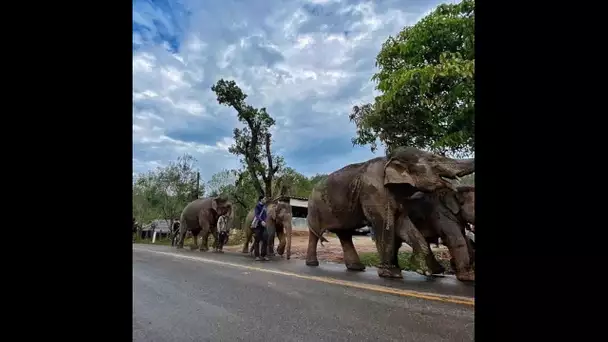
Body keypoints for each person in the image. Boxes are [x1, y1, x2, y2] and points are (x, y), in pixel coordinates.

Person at [251, 195, 269, 261]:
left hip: (264, 226)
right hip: (258, 226)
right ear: (261, 199)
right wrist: (261, 221)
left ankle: (263, 255)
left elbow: (266, 215)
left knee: (265, 239)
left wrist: (266, 221)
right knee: (257, 240)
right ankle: (257, 256)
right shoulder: (257, 206)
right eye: (264, 199)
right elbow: (257, 215)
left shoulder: (265, 207)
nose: (265, 200)